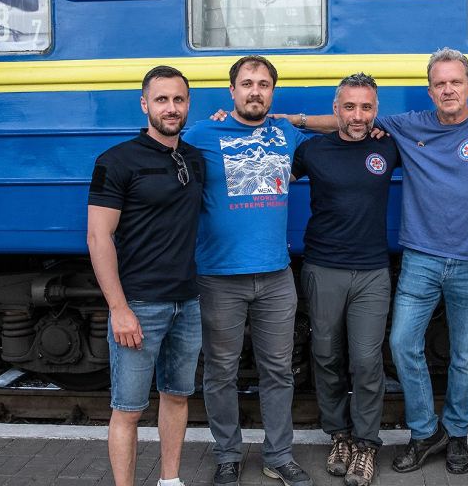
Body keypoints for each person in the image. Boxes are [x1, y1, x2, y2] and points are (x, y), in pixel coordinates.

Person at [282, 47, 468, 475]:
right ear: (430, 89)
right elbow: (351, 123)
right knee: (402, 344)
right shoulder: (408, 125)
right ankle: (425, 432)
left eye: (456, 82)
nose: (448, 89)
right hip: (420, 258)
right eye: (440, 83)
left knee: (464, 355)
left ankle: (456, 433)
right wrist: (295, 121)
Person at [182, 56, 312, 486]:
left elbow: (342, 122)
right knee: (221, 371)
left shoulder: (284, 132)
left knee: (279, 370)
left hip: (276, 276)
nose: (255, 91)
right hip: (219, 277)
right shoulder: (201, 134)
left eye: (263, 85)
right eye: (246, 84)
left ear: (272, 92)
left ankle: (278, 455)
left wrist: (293, 116)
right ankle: (227, 455)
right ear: (231, 90)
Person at [87, 65, 205, 486]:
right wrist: (118, 309)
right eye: (161, 100)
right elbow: (99, 237)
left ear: (188, 104)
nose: (170, 108)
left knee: (176, 397)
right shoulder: (115, 161)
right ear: (145, 104)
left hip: (188, 303)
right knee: (129, 408)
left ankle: (169, 480)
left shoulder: (192, 158)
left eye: (178, 99)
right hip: (139, 304)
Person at [291, 73, 399, 486]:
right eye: (348, 107)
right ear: (335, 109)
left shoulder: (387, 145)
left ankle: (366, 444)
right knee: (325, 356)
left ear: (376, 110)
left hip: (372, 271)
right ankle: (339, 436)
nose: (357, 115)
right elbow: (267, 179)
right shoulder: (313, 150)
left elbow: (440, 136)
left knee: (368, 362)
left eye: (366, 107)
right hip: (322, 268)